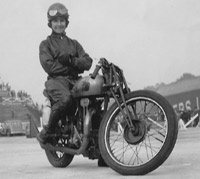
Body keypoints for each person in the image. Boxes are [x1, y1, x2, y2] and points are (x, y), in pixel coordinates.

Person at [37, 3, 93, 144]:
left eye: (62, 21)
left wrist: (71, 60)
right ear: (50, 23)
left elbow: (87, 62)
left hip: (75, 81)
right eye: (55, 21)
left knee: (94, 103)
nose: (59, 24)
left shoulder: (74, 44)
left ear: (66, 22)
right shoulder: (45, 44)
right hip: (56, 81)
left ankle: (99, 150)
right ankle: (48, 130)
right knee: (66, 99)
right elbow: (49, 66)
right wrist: (72, 68)